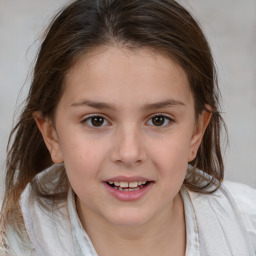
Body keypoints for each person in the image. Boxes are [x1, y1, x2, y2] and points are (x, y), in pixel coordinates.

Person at [0, 0, 255, 255]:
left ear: (196, 132)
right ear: (51, 135)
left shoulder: (248, 227)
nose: (129, 153)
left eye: (159, 120)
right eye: (96, 120)